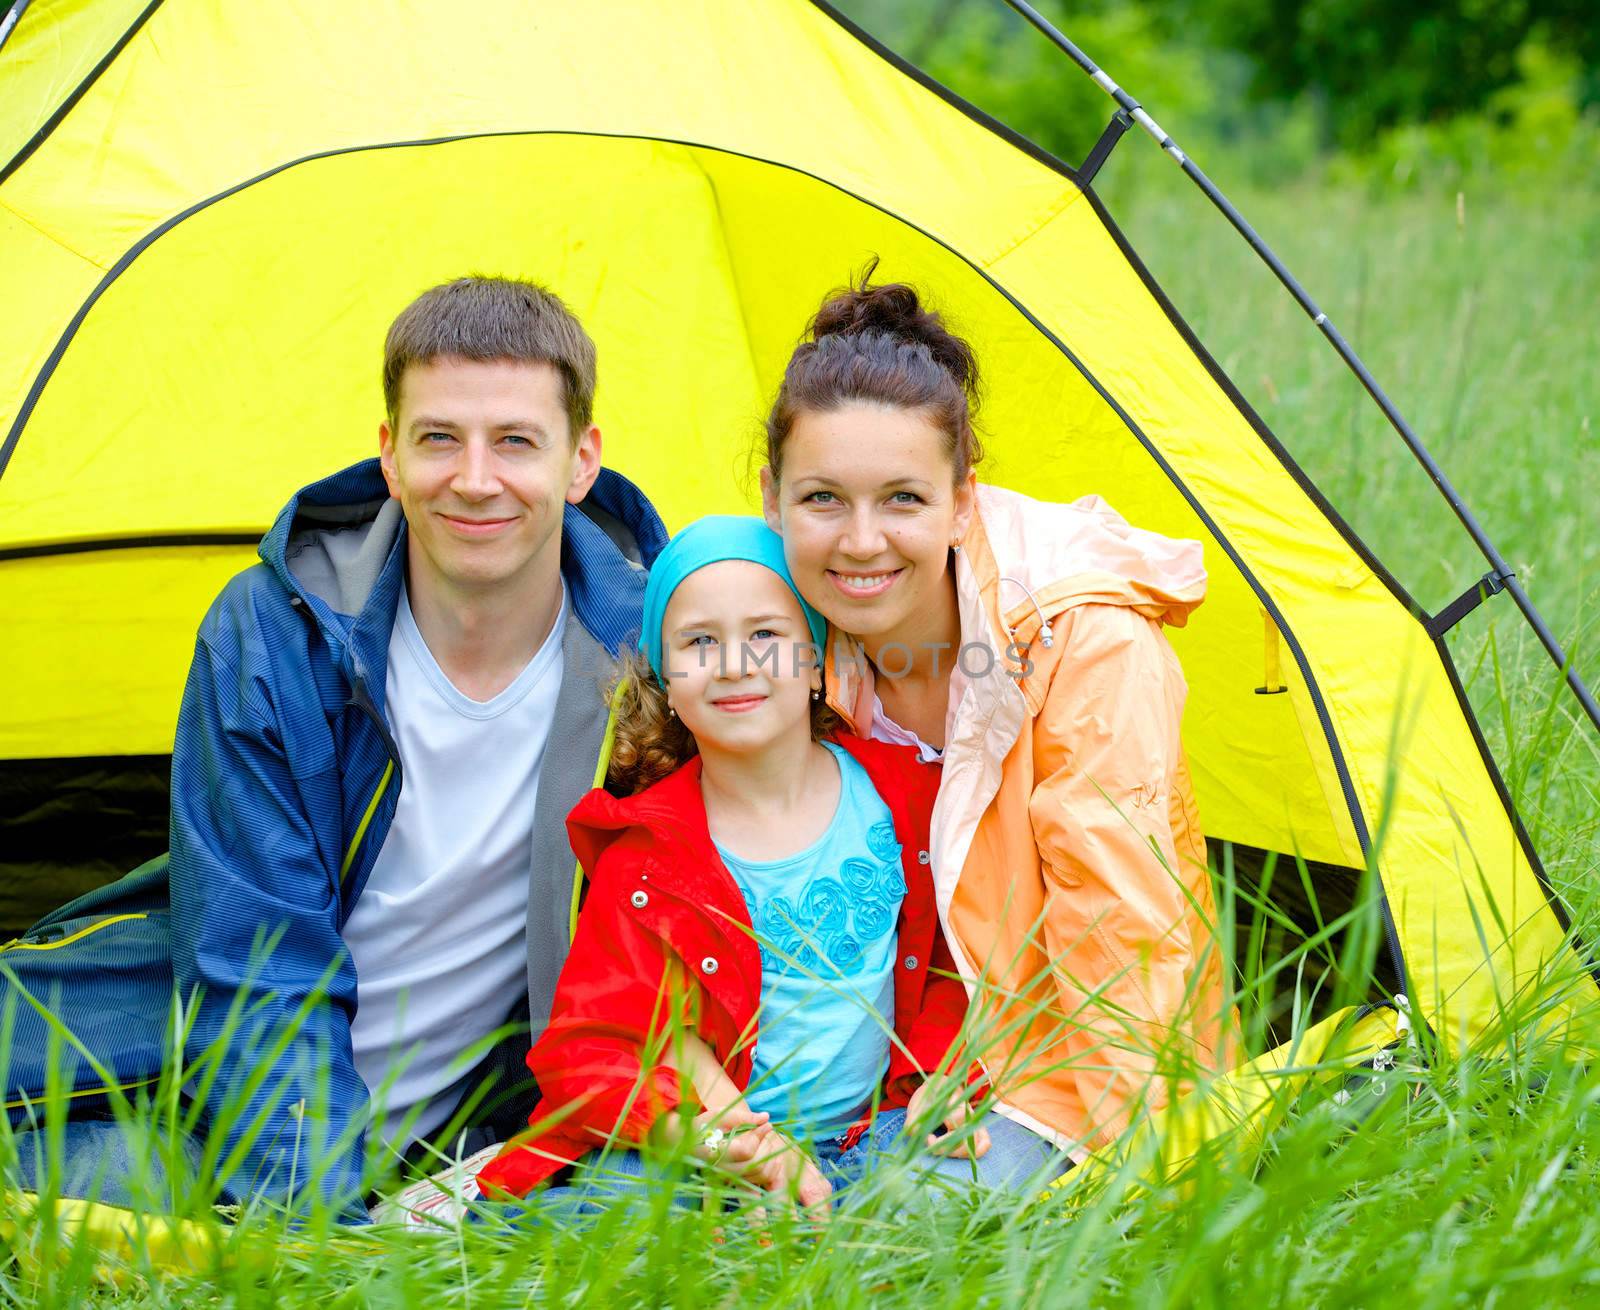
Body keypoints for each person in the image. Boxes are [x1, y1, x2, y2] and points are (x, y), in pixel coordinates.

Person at [3, 276, 666, 1222]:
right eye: (439, 438)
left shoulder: (653, 650)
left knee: (637, 1210)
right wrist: (328, 1232)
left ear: (581, 461)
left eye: (516, 441)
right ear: (389, 456)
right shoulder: (273, 633)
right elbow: (254, 967)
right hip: (193, 1086)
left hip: (473, 1138)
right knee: (123, 1188)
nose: (475, 478)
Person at [758, 271, 1233, 1167]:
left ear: (963, 500)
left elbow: (1122, 931)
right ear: (772, 497)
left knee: (894, 1240)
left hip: (1065, 1075)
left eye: (903, 498)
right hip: (873, 1068)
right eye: (823, 499)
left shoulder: (1084, 644)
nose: (861, 541)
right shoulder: (780, 627)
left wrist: (1158, 1177)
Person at [464, 517, 1067, 1217]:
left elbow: (954, 965)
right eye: (698, 642)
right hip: (711, 1158)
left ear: (816, 660)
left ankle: (827, 1238)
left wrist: (943, 1072)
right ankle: (772, 1236)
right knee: (617, 1204)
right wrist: (721, 1142)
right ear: (665, 678)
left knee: (998, 1163)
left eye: (766, 636)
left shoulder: (908, 800)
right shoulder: (647, 855)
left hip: (877, 1132)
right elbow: (592, 1045)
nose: (734, 663)